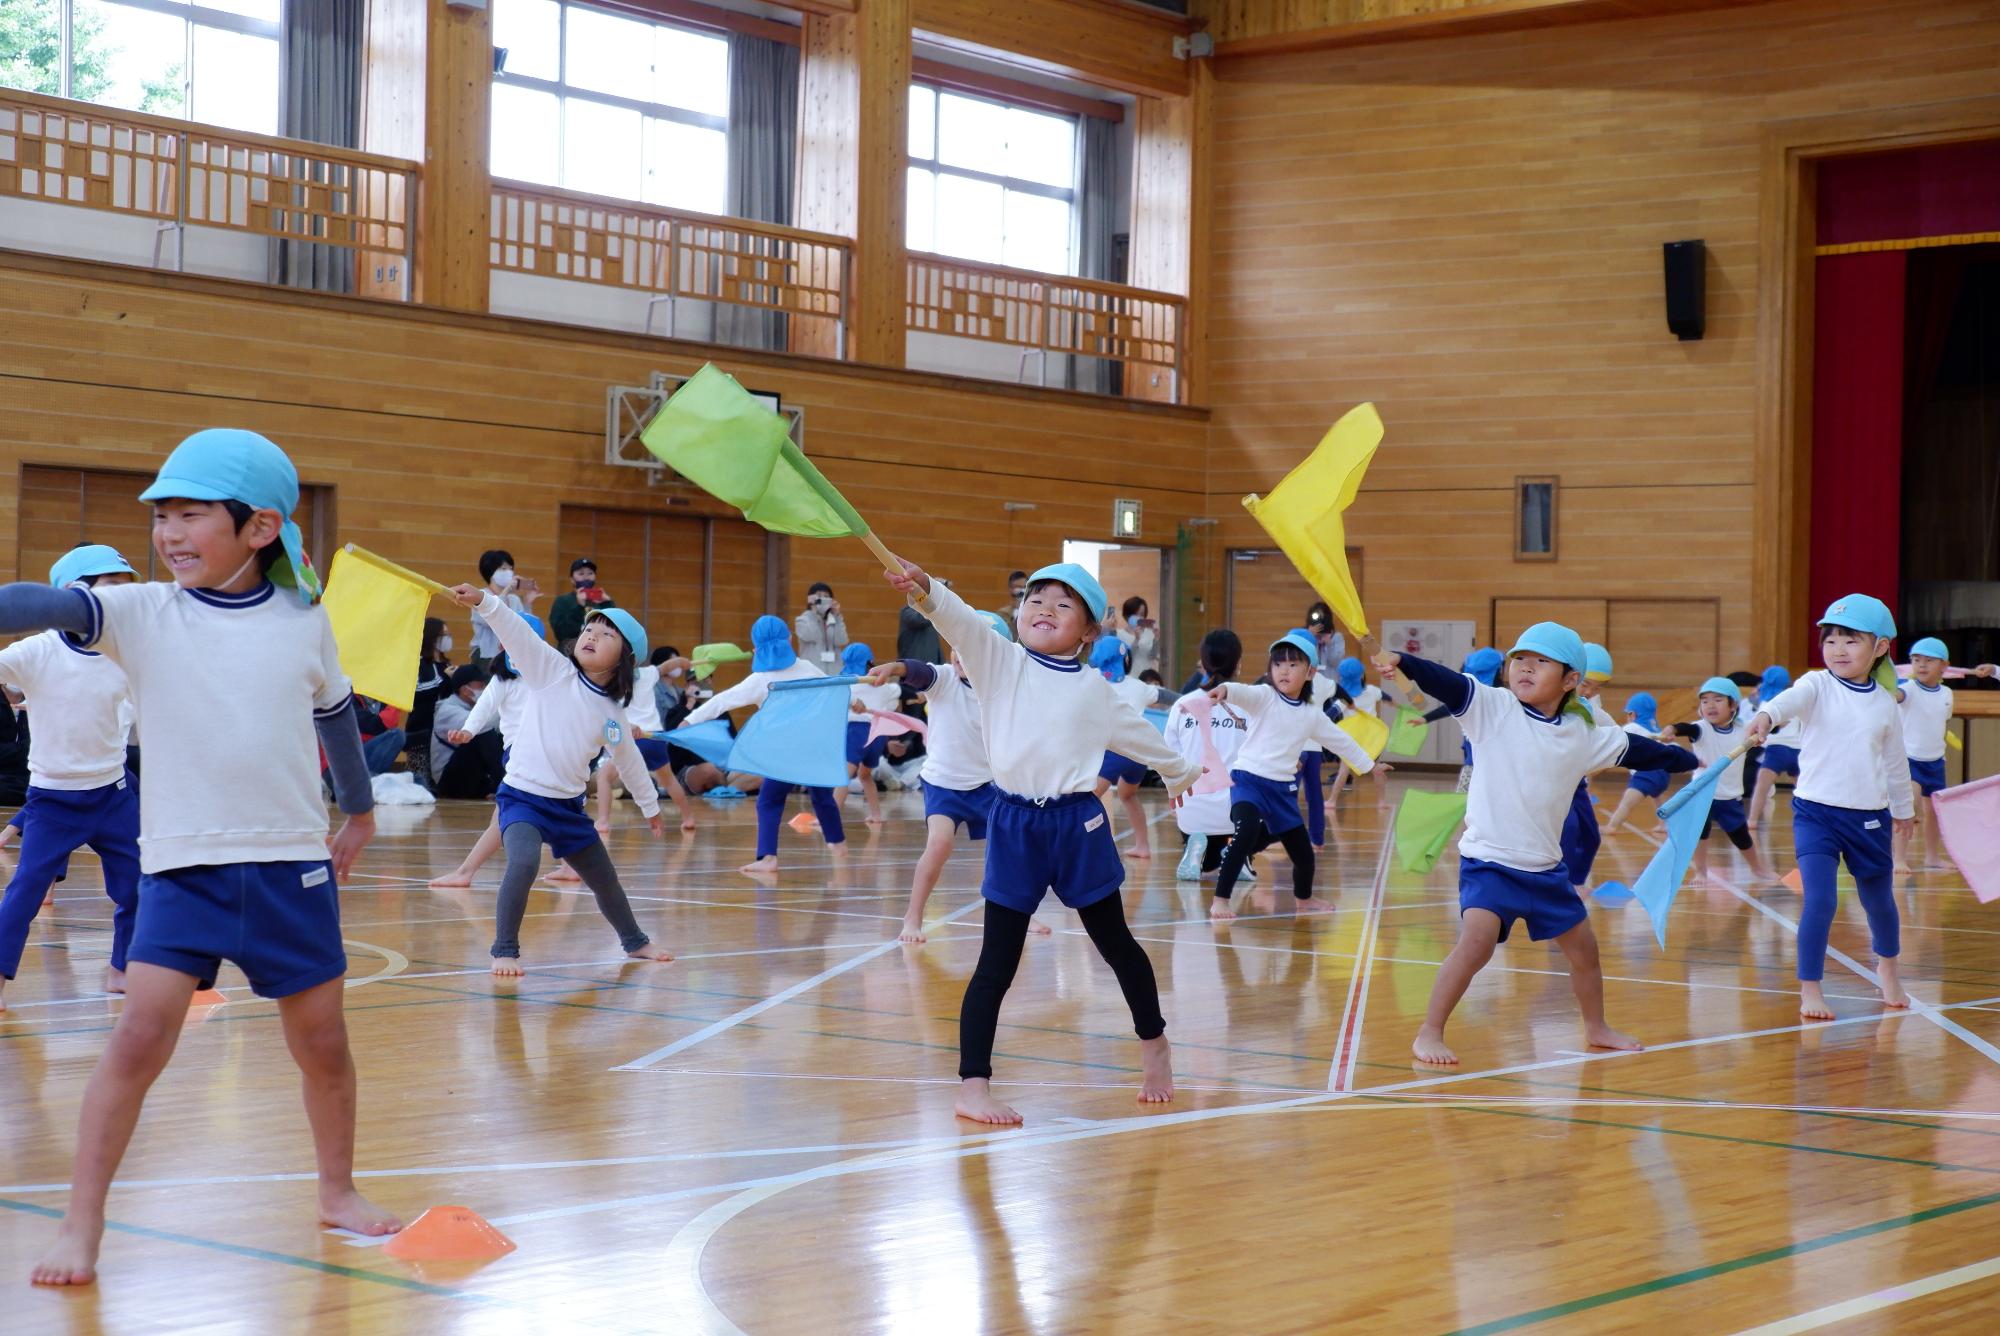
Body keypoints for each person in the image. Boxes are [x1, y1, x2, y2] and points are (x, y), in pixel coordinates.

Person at [0, 427, 399, 1285]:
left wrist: (359, 811)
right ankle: (80, 1224)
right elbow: (49, 604)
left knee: (323, 1043)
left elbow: (333, 713)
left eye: (190, 516)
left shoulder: (304, 619)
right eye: (162, 517)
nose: (170, 534)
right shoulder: (142, 613)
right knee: (139, 1038)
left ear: (259, 528)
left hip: (291, 862)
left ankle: (337, 1191)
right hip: (182, 869)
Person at [883, 556, 1199, 1125]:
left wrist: (1180, 774)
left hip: (1079, 826)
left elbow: (1139, 737)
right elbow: (961, 623)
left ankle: (1156, 1046)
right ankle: (973, 1085)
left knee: (1117, 946)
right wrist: (928, 590)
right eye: (1035, 600)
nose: (1045, 610)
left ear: (1089, 630)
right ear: (1019, 614)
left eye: (1063, 604)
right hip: (1014, 826)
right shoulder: (999, 662)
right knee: (995, 962)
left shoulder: (1097, 692)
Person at [1375, 622, 1697, 1066]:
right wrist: (1406, 662)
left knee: (1585, 950)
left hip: (1546, 871)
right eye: (1520, 659)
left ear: (1570, 681)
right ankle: (1430, 1031)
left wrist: (1691, 759)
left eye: (1541, 661)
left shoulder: (1583, 733)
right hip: (1489, 862)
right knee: (1477, 941)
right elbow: (1447, 683)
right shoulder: (1494, 708)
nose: (1525, 667)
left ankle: (1597, 1027)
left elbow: (1641, 752)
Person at [446, 585, 670, 975]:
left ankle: (635, 942)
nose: (592, 636)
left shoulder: (612, 714)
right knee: (524, 862)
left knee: (605, 880)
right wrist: (485, 601)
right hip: (521, 800)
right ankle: (504, 950)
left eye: (606, 635)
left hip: (568, 810)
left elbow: (629, 762)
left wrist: (650, 806)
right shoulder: (550, 670)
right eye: (589, 630)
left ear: (623, 662)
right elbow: (516, 631)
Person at [1744, 595, 1914, 1020]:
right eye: (1831, 639)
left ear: (1879, 648)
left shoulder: (1884, 704)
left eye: (1850, 640)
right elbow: (1786, 701)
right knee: (1819, 901)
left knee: (1879, 903)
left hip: (1869, 818)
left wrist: (1904, 809)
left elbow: (1895, 763)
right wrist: (1766, 717)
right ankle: (1810, 988)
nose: (1837, 648)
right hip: (1815, 813)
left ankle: (1889, 971)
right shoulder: (1816, 684)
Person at [0, 545, 143, 1012]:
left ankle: (122, 968)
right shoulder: (37, 652)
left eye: (127, 591)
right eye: (110, 589)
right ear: (70, 596)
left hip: (113, 795)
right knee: (25, 891)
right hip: (53, 801)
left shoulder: (126, 652)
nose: (121, 602)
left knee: (139, 885)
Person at [864, 610, 1034, 944]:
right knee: (939, 844)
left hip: (987, 786)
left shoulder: (1003, 691)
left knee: (1009, 851)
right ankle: (913, 917)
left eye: (969, 647)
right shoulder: (944, 680)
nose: (958, 654)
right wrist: (894, 668)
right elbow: (917, 670)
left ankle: (1025, 913)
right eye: (956, 646)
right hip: (943, 784)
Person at [1207, 632, 1377, 921]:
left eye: (1293, 665)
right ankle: (1220, 901)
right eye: (1278, 665)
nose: (1283, 671)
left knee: (1304, 854)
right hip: (1248, 780)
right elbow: (1243, 692)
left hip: (1282, 791)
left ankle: (1304, 898)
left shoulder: (1311, 714)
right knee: (1245, 831)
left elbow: (1341, 741)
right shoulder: (1265, 697)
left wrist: (1370, 766)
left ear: (1310, 672)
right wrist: (1225, 690)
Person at [678, 615, 847, 876]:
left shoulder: (760, 679)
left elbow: (723, 700)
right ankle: (838, 847)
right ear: (789, 639)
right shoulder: (810, 669)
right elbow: (833, 692)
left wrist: (689, 720)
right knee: (822, 797)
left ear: (756, 648)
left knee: (769, 801)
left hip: (784, 753)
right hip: (814, 747)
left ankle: (768, 858)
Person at [1660, 678, 1778, 884]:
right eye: (1705, 701)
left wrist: (1766, 730)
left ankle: (1757, 868)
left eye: (1717, 700)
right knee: (1700, 833)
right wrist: (1672, 729)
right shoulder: (1702, 728)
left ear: (1733, 705)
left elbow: (1770, 729)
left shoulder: (1744, 731)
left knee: (1740, 836)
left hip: (1729, 796)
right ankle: (1701, 871)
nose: (1710, 705)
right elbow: (1686, 728)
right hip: (1702, 793)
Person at [1170, 630, 1249, 881]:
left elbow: (1169, 758)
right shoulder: (1250, 704)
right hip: (1233, 811)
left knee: (1205, 856)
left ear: (1202, 663)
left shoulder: (1183, 704)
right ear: (1238, 663)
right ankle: (1238, 853)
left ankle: (1193, 848)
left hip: (1190, 811)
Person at [593, 647, 698, 834]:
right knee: (669, 781)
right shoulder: (647, 673)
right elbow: (667, 666)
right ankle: (688, 818)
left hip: (633, 737)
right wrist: (683, 662)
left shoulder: (611, 679)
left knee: (604, 777)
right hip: (655, 738)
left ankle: (603, 821)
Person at [1089, 637, 1170, 860]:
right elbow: (1165, 696)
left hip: (1114, 751)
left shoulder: (1092, 680)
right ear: (1126, 659)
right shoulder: (1138, 686)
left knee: (1088, 799)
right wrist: (1195, 699)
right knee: (1127, 795)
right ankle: (1142, 845)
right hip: (1138, 755)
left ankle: (1091, 848)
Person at [1556, 642, 1618, 894]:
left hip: (1576, 785)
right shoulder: (1552, 701)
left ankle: (1577, 884)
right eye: (1587, 683)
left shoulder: (1592, 707)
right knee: (1568, 833)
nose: (1591, 691)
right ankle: (1561, 887)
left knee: (1591, 837)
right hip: (1553, 785)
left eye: (1597, 687)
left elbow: (1618, 734)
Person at [1895, 637, 1957, 873]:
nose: (1921, 665)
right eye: (1916, 660)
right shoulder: (1908, 688)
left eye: (1929, 661)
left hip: (1935, 762)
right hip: (1909, 760)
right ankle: (1899, 858)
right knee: (1907, 805)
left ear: (1944, 665)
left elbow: (1942, 722)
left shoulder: (1947, 694)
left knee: (1934, 812)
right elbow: (1897, 696)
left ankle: (1932, 856)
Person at [842, 643, 898, 827]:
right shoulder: (885, 687)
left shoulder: (847, 683)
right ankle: (876, 814)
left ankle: (828, 816)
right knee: (865, 775)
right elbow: (892, 706)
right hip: (878, 734)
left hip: (857, 731)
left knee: (843, 776)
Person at [430, 665, 500, 800]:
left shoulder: (470, 706)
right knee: (481, 733)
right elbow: (481, 725)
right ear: (465, 690)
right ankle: (501, 784)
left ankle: (505, 784)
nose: (484, 689)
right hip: (449, 781)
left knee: (505, 734)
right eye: (480, 686)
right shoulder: (447, 710)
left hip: (471, 774)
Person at [1601, 692, 1667, 833]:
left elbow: (1616, 740)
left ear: (1633, 714)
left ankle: (1612, 826)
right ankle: (1664, 824)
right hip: (1663, 773)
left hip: (1646, 773)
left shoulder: (1630, 728)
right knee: (1658, 799)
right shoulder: (1656, 729)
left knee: (1627, 802)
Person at [1746, 664, 1802, 828]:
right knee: (1805, 792)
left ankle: (1752, 820)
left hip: (1776, 749)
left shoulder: (1769, 702)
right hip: (1798, 750)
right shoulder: (1794, 698)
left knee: (1761, 787)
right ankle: (1815, 821)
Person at [468, 549, 539, 664]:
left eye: (511, 569)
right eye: (504, 569)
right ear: (491, 572)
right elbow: (491, 618)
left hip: (510, 655)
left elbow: (523, 625)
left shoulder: (514, 599)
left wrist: (527, 603)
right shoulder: (481, 595)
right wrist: (506, 591)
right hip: (486, 655)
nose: (510, 573)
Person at [547, 557, 614, 647]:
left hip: (598, 653)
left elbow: (613, 630)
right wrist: (579, 607)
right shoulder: (562, 601)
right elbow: (561, 634)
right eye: (581, 573)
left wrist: (607, 603)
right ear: (572, 579)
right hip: (569, 655)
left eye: (590, 573)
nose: (586, 577)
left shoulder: (601, 601)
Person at [795, 581, 848, 671]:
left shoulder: (834, 619)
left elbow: (842, 640)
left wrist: (837, 616)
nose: (823, 599)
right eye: (819, 596)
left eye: (826, 596)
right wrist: (815, 614)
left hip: (833, 674)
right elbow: (813, 636)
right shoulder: (802, 620)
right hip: (811, 674)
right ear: (810, 599)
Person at [1114, 596, 1159, 680]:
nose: (1138, 617)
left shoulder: (1149, 633)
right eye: (1135, 614)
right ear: (1127, 616)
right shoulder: (1119, 635)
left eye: (1141, 614)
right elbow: (1126, 659)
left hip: (1146, 679)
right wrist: (1136, 639)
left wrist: (1156, 639)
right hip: (1128, 678)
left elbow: (1152, 656)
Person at [898, 593, 944, 665]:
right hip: (914, 664)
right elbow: (921, 619)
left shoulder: (931, 614)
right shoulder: (907, 612)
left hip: (932, 663)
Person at [1305, 601, 1346, 668]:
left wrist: (1329, 644)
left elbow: (1336, 663)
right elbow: (1304, 661)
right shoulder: (1305, 636)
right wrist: (1309, 637)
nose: (1319, 622)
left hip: (1331, 676)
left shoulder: (1337, 637)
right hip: (1311, 676)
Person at [992, 570, 1027, 643]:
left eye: (1024, 587)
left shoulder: (1032, 612)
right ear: (1011, 589)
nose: (1022, 590)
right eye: (1018, 587)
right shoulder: (1002, 613)